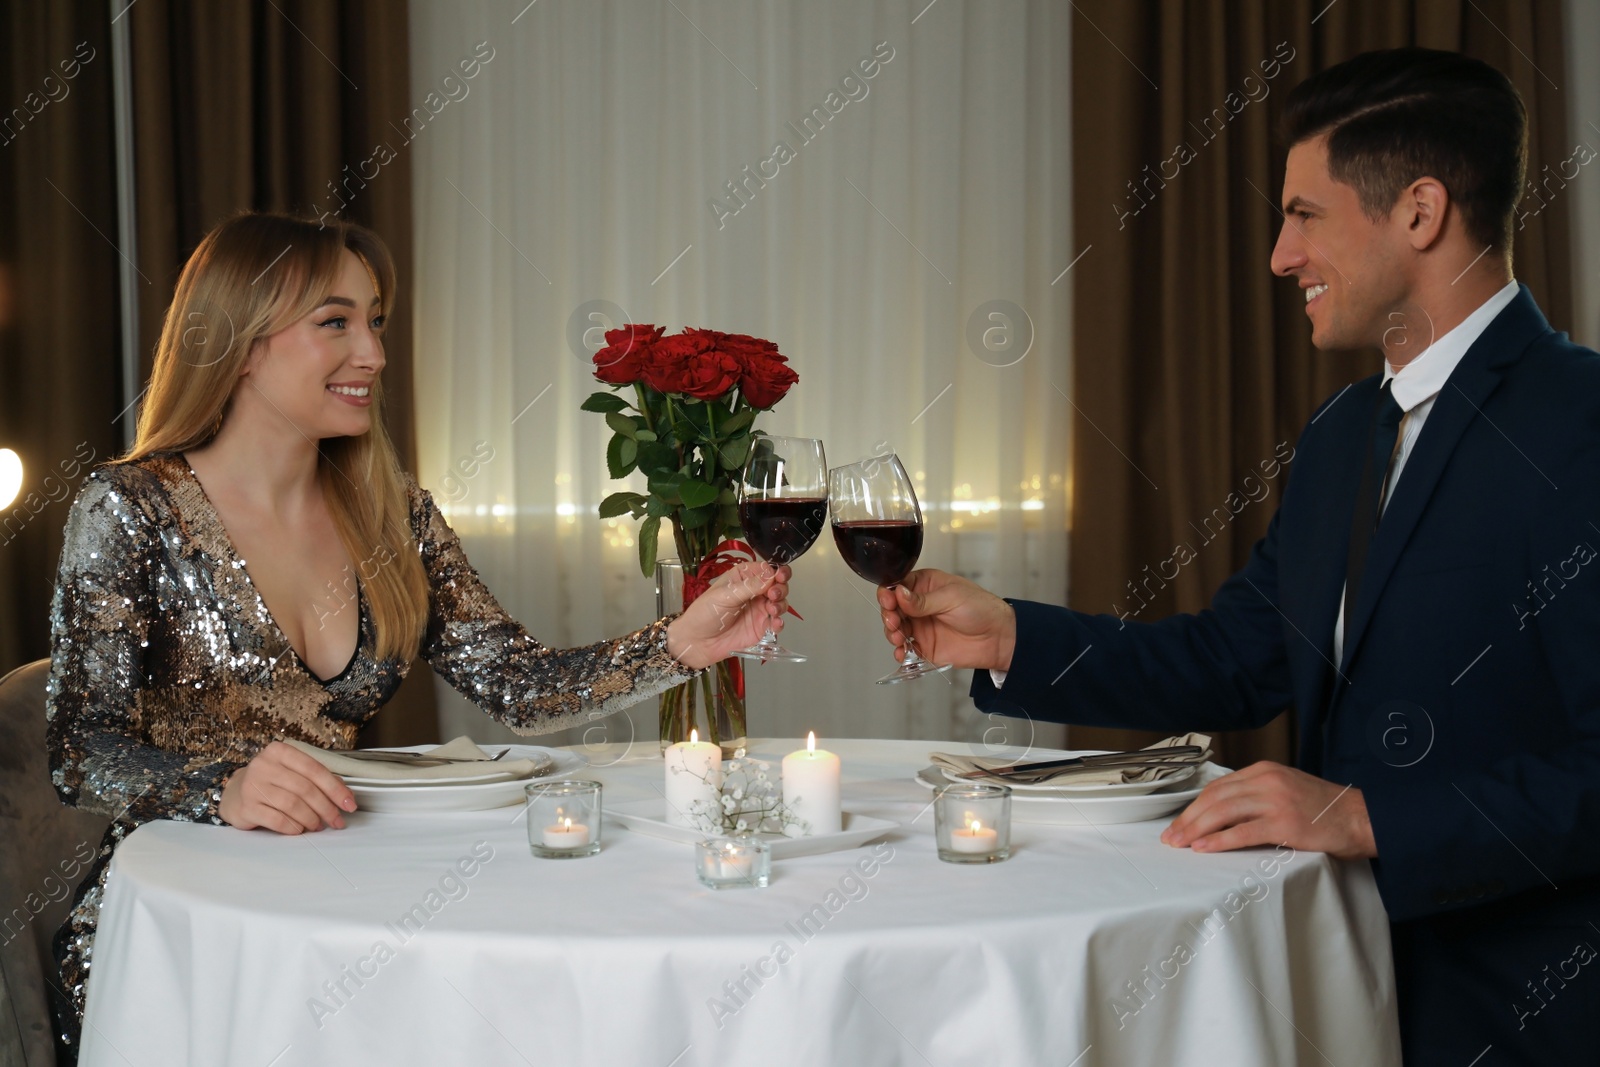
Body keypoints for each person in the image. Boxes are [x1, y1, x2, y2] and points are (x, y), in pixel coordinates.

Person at [879, 48, 1599, 1061]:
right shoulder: (1346, 431)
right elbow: (1233, 657)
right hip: (1330, 981)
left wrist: (1365, 814)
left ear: (1420, 211)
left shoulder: (1581, 421)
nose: (1277, 254)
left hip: (1521, 1014)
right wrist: (1009, 636)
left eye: (1303, 214)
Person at [44, 212, 790, 1061]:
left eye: (375, 321)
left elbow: (517, 682)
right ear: (242, 344)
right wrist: (223, 786)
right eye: (336, 322)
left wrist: (679, 644)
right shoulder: (128, 509)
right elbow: (79, 746)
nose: (374, 353)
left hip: (331, 897)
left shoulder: (393, 512)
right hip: (179, 926)